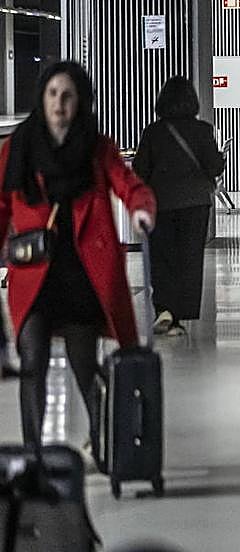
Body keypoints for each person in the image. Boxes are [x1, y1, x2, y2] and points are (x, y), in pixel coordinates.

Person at [0, 62, 156, 448]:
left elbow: (128, 184)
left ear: (80, 101)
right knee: (32, 359)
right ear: (41, 98)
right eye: (52, 94)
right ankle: (34, 452)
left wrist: (140, 209)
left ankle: (101, 436)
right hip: (34, 274)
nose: (59, 103)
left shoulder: (96, 148)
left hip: (81, 275)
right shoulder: (18, 148)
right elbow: (1, 207)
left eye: (67, 95)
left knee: (84, 362)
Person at [133, 76, 225, 336]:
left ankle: (165, 309)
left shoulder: (153, 132)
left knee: (162, 258)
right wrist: (219, 159)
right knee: (189, 259)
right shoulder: (203, 130)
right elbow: (214, 167)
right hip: (195, 204)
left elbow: (139, 170)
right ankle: (181, 313)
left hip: (161, 204)